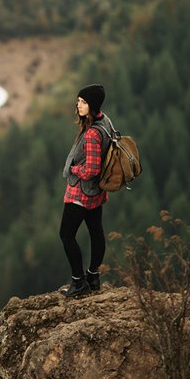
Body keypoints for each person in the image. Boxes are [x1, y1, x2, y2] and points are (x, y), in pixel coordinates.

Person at [59, 84, 114, 297]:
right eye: (78, 101)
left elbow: (91, 169)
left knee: (66, 234)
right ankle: (92, 277)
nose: (78, 105)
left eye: (83, 102)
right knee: (96, 231)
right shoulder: (104, 120)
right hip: (96, 191)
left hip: (81, 192)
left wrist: (74, 169)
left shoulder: (92, 134)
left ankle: (78, 282)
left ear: (92, 105)